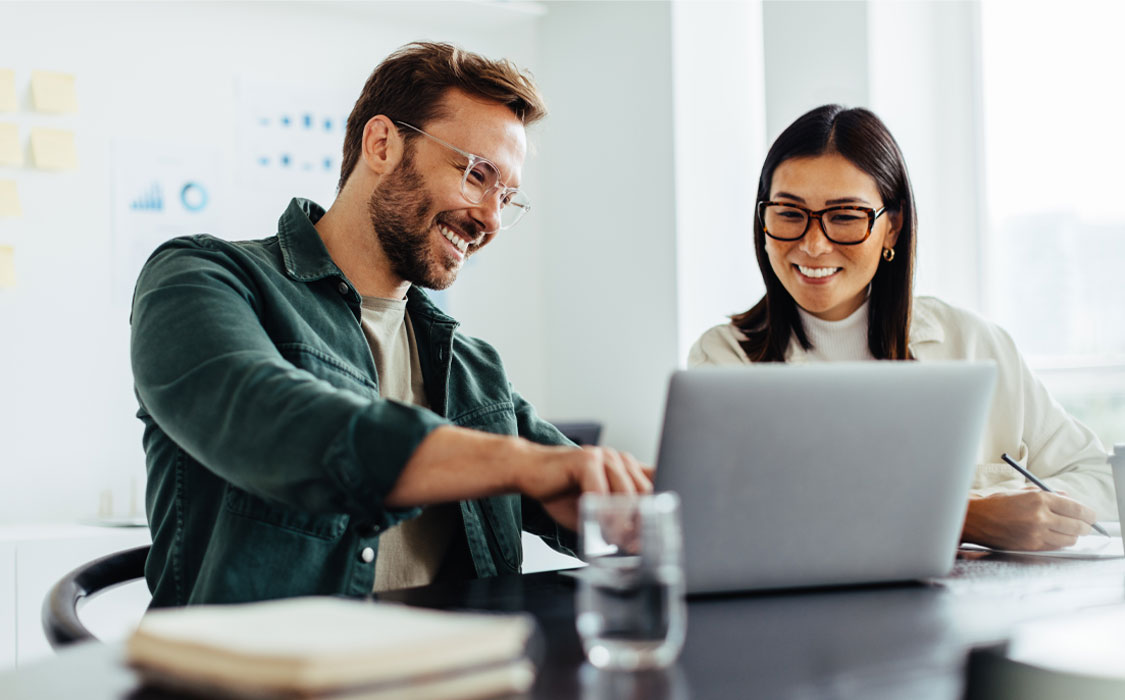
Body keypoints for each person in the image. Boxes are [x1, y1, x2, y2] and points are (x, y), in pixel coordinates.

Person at [131, 42, 651, 608]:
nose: (491, 219)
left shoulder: (473, 368)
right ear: (382, 144)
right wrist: (523, 465)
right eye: (477, 175)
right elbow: (272, 418)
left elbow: (575, 482)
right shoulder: (203, 276)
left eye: (507, 196)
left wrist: (639, 503)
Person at [689, 104, 1113, 552]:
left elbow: (1102, 481)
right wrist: (964, 517)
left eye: (845, 217)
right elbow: (730, 517)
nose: (813, 244)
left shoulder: (972, 343)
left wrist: (1026, 510)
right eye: (789, 214)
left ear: (891, 228)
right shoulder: (723, 360)